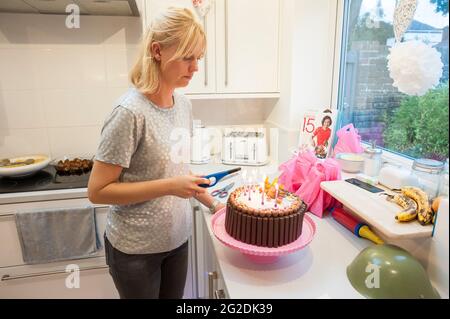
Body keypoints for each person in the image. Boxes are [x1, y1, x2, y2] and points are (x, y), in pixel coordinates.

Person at [87, 7, 225, 299]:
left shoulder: (183, 105)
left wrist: (215, 205)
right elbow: (98, 191)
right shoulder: (129, 112)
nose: (196, 67)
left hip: (177, 241)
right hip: (135, 252)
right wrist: (170, 187)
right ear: (157, 51)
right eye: (188, 57)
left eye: (198, 58)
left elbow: (176, 172)